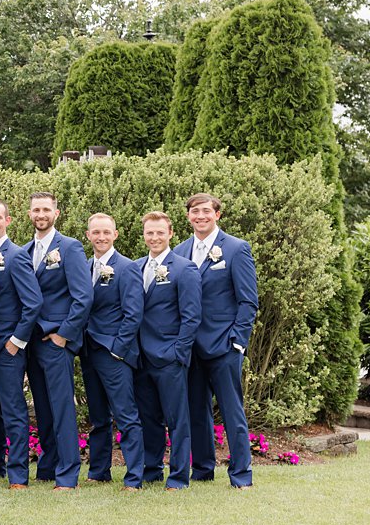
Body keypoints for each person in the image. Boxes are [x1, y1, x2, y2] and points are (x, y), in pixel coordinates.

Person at [176, 193, 259, 489]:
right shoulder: (180, 251)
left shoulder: (236, 249)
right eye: (195, 211)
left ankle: (241, 475)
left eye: (206, 211)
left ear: (217, 215)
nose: (200, 216)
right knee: (196, 411)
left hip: (224, 346)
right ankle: (202, 469)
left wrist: (238, 340)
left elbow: (248, 301)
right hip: (191, 349)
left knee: (232, 411)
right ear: (188, 216)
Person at [20, 192, 93, 491]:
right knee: (43, 407)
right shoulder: (24, 251)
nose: (41, 214)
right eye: (36, 209)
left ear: (56, 213)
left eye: (46, 209)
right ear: (29, 214)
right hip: (31, 340)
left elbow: (83, 296)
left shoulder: (70, 247)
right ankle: (48, 468)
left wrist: (64, 334)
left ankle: (68, 473)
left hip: (55, 341)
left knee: (62, 407)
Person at [0, 199, 43, 488]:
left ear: (8, 221)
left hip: (7, 347)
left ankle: (17, 473)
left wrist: (17, 341)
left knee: (13, 411)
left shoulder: (16, 256)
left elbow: (33, 302)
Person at [77, 213, 144, 490]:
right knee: (98, 417)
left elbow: (133, 313)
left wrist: (118, 349)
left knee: (126, 415)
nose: (101, 237)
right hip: (89, 351)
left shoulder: (126, 267)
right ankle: (99, 471)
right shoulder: (85, 265)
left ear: (115, 235)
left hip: (114, 352)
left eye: (106, 232)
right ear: (88, 235)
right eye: (96, 232)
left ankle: (134, 476)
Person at [134, 211, 201, 489]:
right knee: (148, 418)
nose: (155, 237)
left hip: (169, 357)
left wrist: (178, 352)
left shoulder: (185, 268)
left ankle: (178, 476)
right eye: (150, 232)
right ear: (144, 235)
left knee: (177, 421)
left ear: (170, 233)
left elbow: (192, 316)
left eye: (160, 232)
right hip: (140, 357)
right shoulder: (135, 267)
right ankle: (151, 470)